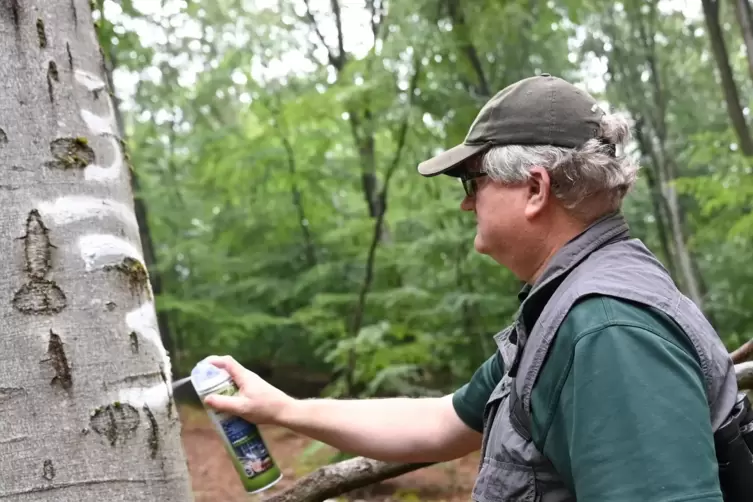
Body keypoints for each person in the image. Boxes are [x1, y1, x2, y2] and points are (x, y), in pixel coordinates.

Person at [203, 74, 740, 501]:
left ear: (534, 188)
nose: (465, 203)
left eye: (472, 182)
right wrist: (280, 408)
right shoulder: (564, 311)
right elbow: (441, 422)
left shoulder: (606, 331)